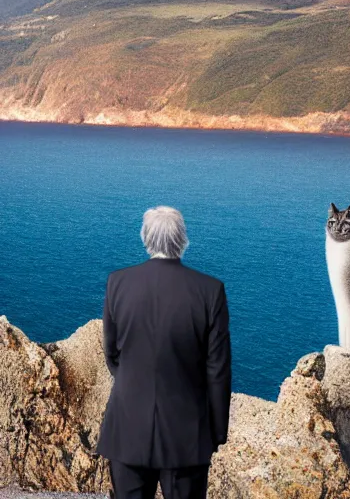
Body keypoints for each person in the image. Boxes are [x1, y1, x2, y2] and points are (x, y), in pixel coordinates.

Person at [96, 206, 232, 499]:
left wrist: (135, 383)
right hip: (187, 436)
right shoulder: (210, 291)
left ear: (145, 238)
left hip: (127, 428)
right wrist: (217, 432)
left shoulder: (117, 283)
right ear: (183, 239)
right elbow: (217, 370)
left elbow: (112, 353)